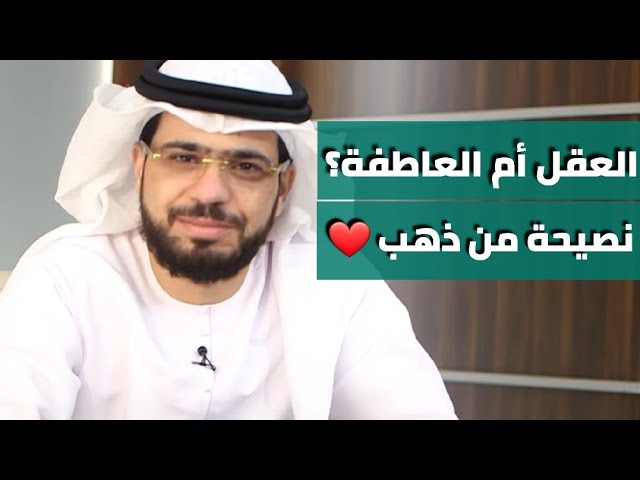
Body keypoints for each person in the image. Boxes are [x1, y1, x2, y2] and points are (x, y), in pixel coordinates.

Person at [0, 60, 456, 420]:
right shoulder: (65, 277)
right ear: (139, 166)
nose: (210, 193)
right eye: (183, 158)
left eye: (246, 167)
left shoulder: (336, 287)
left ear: (284, 186)